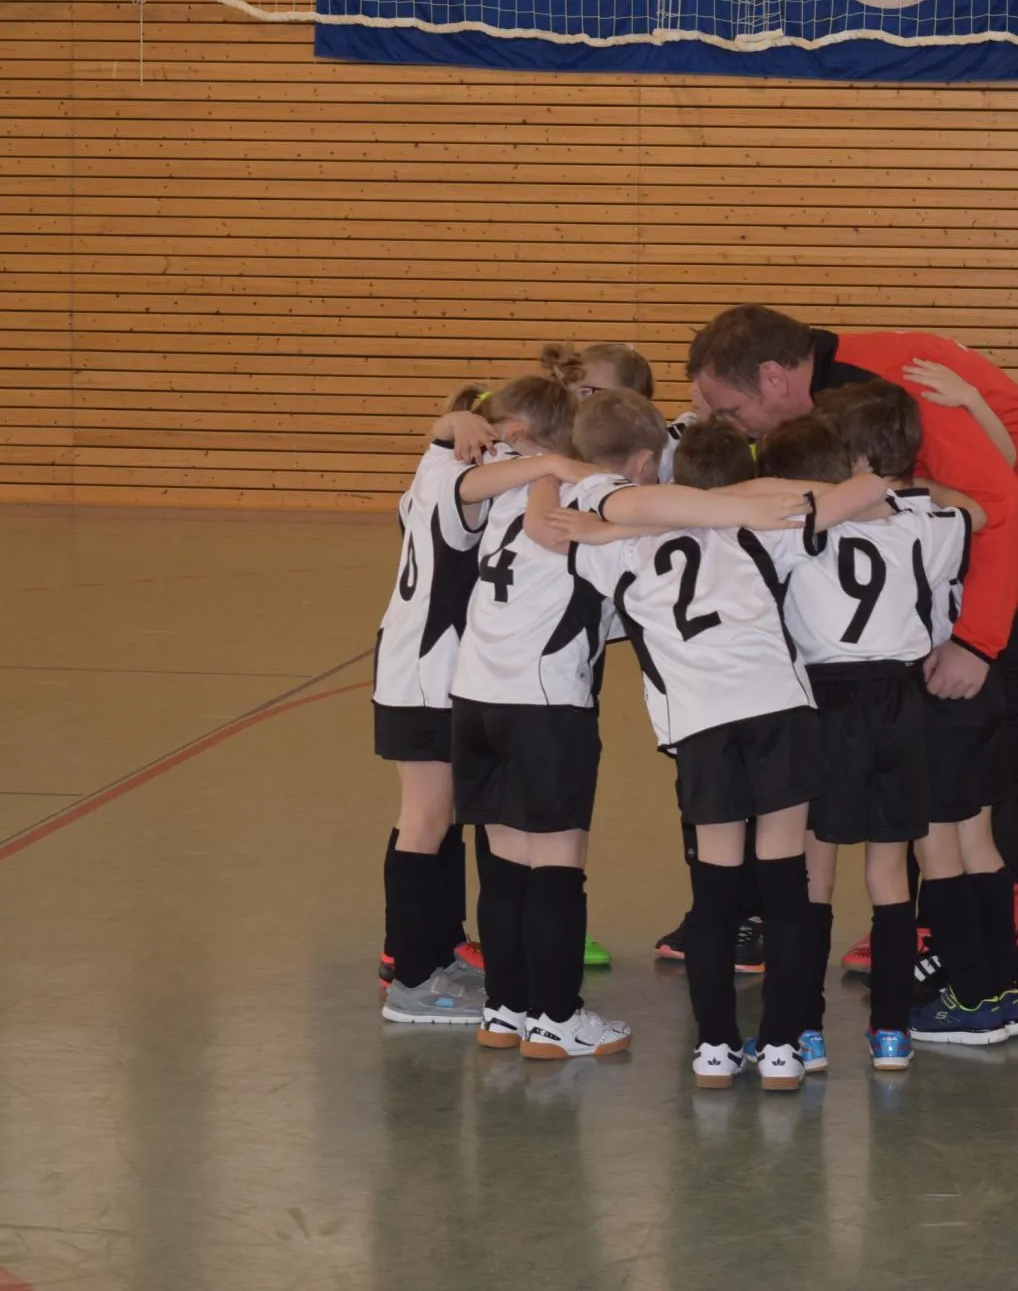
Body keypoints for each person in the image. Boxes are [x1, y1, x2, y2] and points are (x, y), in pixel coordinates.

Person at [690, 306, 1018, 1032]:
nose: (730, 425)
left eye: (730, 410)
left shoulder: (893, 385)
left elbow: (997, 503)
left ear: (774, 377)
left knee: (1013, 769)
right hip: (976, 564)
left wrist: (977, 642)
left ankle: (986, 960)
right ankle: (949, 946)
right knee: (942, 803)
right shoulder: (846, 399)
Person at [455, 384, 808, 1061]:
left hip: (473, 694)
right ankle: (555, 1017)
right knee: (557, 862)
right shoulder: (595, 506)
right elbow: (627, 525)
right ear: (643, 465)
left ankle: (505, 1009)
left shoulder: (514, 490)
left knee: (503, 861)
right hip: (543, 701)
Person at [544, 408, 887, 1091]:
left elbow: (551, 530)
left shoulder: (617, 548)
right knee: (785, 887)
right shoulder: (759, 529)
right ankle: (782, 1046)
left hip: (702, 726)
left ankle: (715, 1047)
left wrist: (615, 521)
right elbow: (868, 491)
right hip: (779, 713)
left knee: (715, 893)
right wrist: (746, 499)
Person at [756, 409, 975, 1072]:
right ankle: (891, 1031)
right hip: (898, 700)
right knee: (888, 872)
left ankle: (806, 1030)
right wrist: (897, 492)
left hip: (825, 701)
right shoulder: (920, 525)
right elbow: (974, 513)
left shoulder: (792, 529)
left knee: (813, 872)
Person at [374, 381, 597, 1027]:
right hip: (427, 669)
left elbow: (454, 443)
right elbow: (475, 480)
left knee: (437, 818)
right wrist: (553, 464)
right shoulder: (460, 475)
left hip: (419, 663)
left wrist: (453, 422)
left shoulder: (439, 460)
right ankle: (412, 977)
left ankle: (435, 952)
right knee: (424, 818)